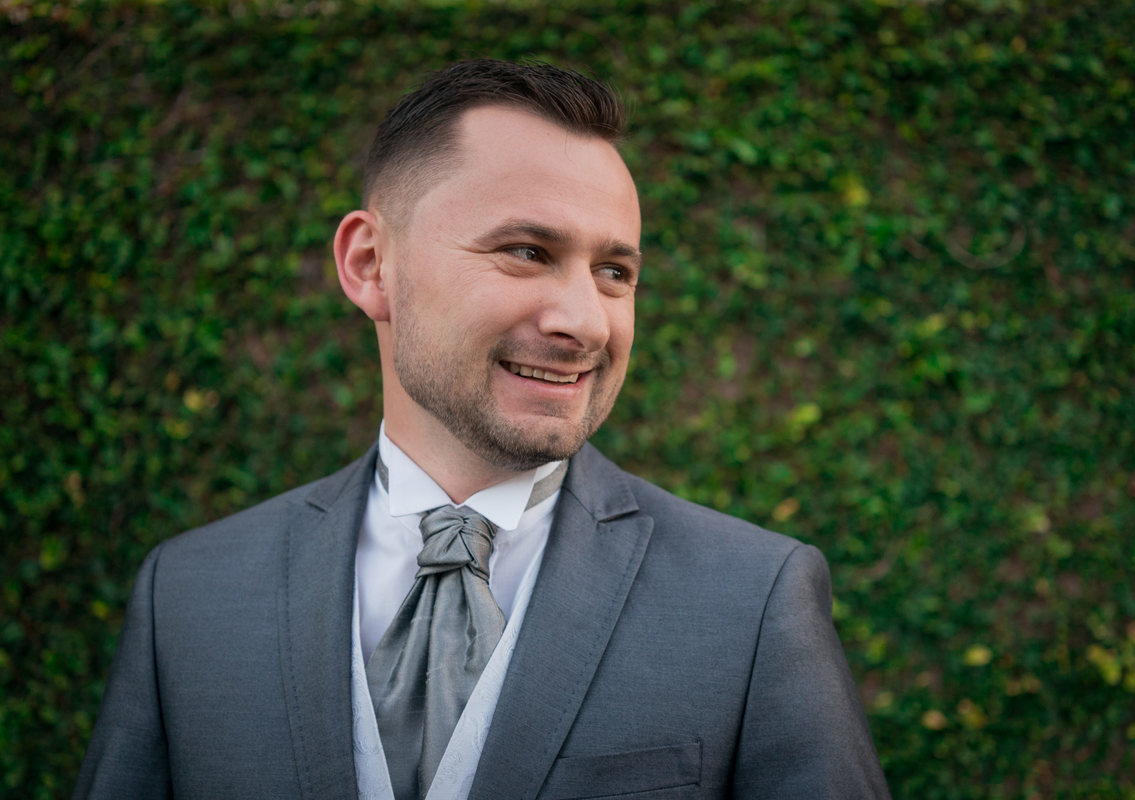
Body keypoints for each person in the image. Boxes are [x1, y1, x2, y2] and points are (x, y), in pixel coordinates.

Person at [74, 59, 891, 800]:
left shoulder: (751, 600)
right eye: (528, 251)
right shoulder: (188, 596)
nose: (585, 322)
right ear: (369, 265)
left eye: (614, 272)